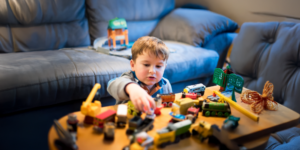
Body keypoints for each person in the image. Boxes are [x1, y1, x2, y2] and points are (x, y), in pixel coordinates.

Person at [107, 36, 172, 112]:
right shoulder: (128, 78)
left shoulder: (165, 84)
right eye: (146, 65)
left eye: (158, 66)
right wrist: (132, 88)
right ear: (133, 65)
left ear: (164, 67)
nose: (152, 71)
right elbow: (112, 85)